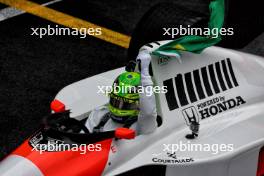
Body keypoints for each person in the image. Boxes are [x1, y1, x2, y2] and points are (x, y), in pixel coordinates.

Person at [84, 49, 157, 135]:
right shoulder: (98, 114)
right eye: (116, 101)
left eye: (125, 104)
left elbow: (149, 113)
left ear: (140, 105)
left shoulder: (143, 126)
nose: (118, 109)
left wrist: (145, 73)